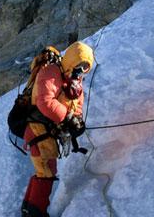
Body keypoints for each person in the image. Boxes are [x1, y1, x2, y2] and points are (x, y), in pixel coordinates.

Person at [22, 42, 94, 217]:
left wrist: (76, 121)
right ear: (70, 60)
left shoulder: (75, 81)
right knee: (46, 171)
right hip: (37, 129)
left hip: (47, 131)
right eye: (79, 65)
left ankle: (28, 208)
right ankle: (35, 213)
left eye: (85, 67)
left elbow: (76, 106)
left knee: (45, 170)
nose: (81, 70)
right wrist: (68, 118)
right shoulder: (51, 72)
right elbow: (45, 102)